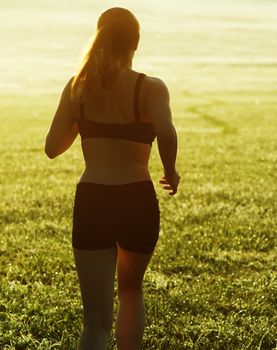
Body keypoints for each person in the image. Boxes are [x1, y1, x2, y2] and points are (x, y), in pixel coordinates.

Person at [44, 7, 180, 350]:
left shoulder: (79, 87)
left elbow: (52, 148)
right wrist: (170, 170)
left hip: (93, 200)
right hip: (137, 198)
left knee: (95, 321)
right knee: (132, 290)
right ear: (136, 42)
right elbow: (166, 131)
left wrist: (85, 119)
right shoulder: (150, 87)